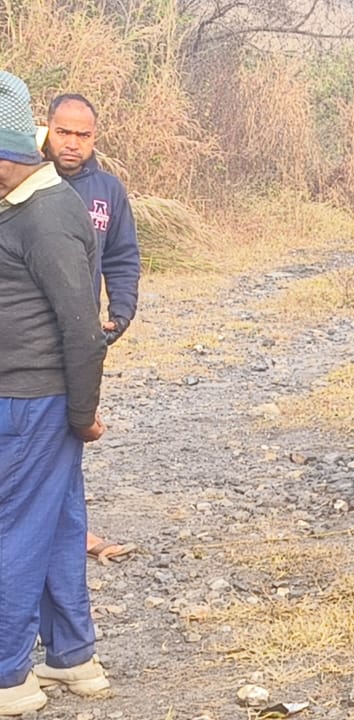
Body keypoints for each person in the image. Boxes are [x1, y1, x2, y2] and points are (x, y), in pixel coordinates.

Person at [0, 71, 111, 715]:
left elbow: (83, 328)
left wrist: (82, 413)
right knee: (60, 523)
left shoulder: (45, 215)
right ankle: (72, 656)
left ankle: (7, 674)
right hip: (32, 401)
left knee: (13, 530)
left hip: (29, 402)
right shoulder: (21, 204)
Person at [41, 92, 141, 564]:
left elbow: (122, 257)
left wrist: (120, 314)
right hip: (27, 338)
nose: (72, 143)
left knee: (70, 432)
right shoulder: (23, 181)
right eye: (63, 132)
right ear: (46, 128)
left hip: (81, 339)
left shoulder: (107, 190)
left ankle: (72, 533)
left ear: (95, 137)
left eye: (83, 135)